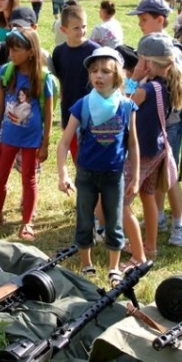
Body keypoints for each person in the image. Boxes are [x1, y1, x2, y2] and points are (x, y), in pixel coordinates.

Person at [57, 47, 138, 284]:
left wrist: (135, 178)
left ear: (118, 75)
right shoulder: (82, 105)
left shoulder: (126, 106)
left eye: (105, 71)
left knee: (114, 222)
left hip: (114, 175)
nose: (98, 76)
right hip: (86, 174)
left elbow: (133, 143)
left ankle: (114, 268)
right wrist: (63, 174)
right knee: (84, 220)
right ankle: (86, 265)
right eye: (94, 71)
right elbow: (63, 144)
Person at [121, 34, 182, 267]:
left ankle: (137, 253)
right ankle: (150, 247)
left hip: (142, 153)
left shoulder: (148, 89)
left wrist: (134, 78)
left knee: (120, 201)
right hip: (157, 148)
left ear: (148, 63)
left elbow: (122, 106)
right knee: (147, 196)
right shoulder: (167, 84)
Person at [0, 27, 54, 240]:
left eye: (17, 50)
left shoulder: (44, 78)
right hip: (8, 137)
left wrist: (45, 144)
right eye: (11, 50)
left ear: (31, 52)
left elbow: (49, 112)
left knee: (29, 179)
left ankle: (27, 222)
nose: (12, 54)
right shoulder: (6, 72)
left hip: (31, 140)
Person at [51, 5, 100, 161]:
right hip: (70, 111)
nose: (81, 31)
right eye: (76, 28)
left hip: (93, 113)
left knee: (92, 157)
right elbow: (60, 78)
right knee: (76, 156)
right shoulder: (59, 52)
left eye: (84, 27)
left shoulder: (95, 51)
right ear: (64, 30)